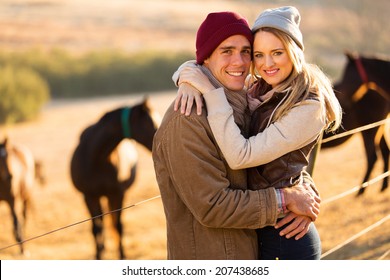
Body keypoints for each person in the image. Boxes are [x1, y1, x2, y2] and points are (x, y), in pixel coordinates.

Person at [173, 6, 342, 260]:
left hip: (285, 238)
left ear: (294, 51)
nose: (267, 63)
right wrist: (187, 77)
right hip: (259, 229)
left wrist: (210, 93)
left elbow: (242, 156)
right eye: (259, 54)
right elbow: (205, 60)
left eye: (277, 53)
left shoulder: (308, 105)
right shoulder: (258, 87)